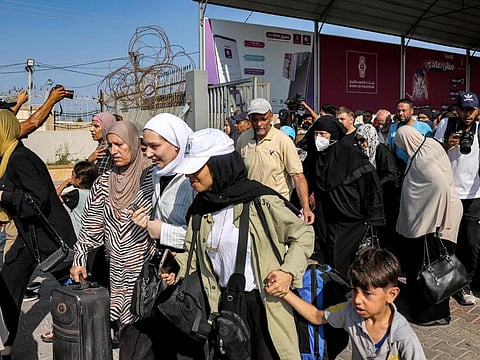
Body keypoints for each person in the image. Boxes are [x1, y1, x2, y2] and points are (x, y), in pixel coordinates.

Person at [171, 128, 314, 360]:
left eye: (196, 170)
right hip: (222, 307)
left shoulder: (261, 202)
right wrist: (172, 269)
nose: (190, 178)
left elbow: (303, 234)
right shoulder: (201, 208)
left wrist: (288, 272)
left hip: (263, 307)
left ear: (219, 166)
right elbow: (193, 255)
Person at [70, 121, 156, 358]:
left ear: (134, 144)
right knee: (126, 330)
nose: (114, 150)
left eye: (120, 144)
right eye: (110, 145)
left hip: (147, 276)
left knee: (145, 337)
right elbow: (90, 227)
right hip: (117, 275)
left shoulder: (152, 179)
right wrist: (79, 258)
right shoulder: (103, 183)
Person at [0, 109, 77, 360]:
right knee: (7, 291)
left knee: (77, 284)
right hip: (29, 237)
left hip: (46, 237)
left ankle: (99, 326)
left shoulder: (19, 159)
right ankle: (6, 348)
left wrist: (4, 197)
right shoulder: (8, 157)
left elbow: (37, 199)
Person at [266, 247, 426, 360]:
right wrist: (285, 293)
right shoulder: (350, 311)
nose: (357, 299)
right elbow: (316, 316)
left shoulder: (403, 338)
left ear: (391, 294)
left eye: (367, 294)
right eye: (355, 290)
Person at [130, 113, 199, 358]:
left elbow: (203, 237)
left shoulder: (194, 179)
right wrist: (146, 223)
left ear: (177, 143)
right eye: (145, 147)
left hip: (189, 279)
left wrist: (163, 231)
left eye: (155, 146)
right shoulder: (157, 175)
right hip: (165, 273)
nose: (148, 153)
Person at [395, 125, 463, 325]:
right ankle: (434, 310)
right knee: (438, 266)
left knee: (435, 269)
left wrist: (434, 218)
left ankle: (433, 315)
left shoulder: (422, 159)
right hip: (442, 216)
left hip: (437, 222)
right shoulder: (430, 145)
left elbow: (439, 184)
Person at [303, 115, 385, 275]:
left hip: (351, 219)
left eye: (323, 134)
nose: (318, 138)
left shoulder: (351, 154)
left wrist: (372, 216)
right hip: (326, 218)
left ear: (333, 134)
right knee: (328, 259)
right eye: (316, 134)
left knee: (344, 261)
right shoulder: (316, 157)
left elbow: (369, 183)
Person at [434, 91, 480, 305]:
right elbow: (432, 154)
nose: (467, 114)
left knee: (471, 243)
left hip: (474, 195)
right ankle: (447, 281)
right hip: (448, 192)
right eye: (463, 109)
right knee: (446, 242)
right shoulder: (446, 126)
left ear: (477, 110)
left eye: (471, 110)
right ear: (458, 110)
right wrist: (447, 145)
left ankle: (465, 283)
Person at [236, 98, 314, 224]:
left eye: (263, 119)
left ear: (271, 117)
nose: (259, 124)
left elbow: (298, 177)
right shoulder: (243, 139)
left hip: (276, 207)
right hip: (250, 207)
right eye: (255, 120)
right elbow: (238, 173)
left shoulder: (283, 141)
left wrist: (306, 208)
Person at [355, 124, 399, 251]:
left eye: (362, 140)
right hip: (372, 197)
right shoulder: (363, 153)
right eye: (357, 140)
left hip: (386, 197)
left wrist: (375, 184)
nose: (360, 143)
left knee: (385, 232)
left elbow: (391, 174)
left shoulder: (381, 151)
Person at [386, 98, 432, 169]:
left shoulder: (424, 127)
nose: (401, 113)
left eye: (404, 111)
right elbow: (389, 148)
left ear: (411, 111)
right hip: (399, 169)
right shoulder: (393, 127)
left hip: (418, 168)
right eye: (399, 111)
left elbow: (430, 150)